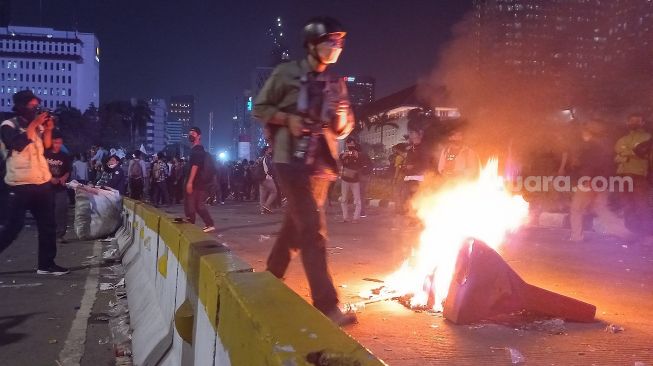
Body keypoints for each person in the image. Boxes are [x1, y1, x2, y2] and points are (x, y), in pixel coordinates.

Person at [253, 16, 356, 326]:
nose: (336, 47)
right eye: (331, 41)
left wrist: (340, 115)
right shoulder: (286, 74)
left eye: (340, 42)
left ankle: (271, 277)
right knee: (312, 227)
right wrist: (288, 120)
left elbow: (343, 128)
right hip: (290, 162)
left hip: (321, 168)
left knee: (295, 227)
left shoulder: (335, 83)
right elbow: (259, 108)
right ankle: (326, 306)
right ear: (312, 44)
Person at [0, 90, 68, 275]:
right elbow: (18, 144)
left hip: (41, 182)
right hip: (19, 184)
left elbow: (46, 146)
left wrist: (48, 128)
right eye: (32, 106)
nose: (35, 109)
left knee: (48, 224)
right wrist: (35, 124)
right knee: (13, 227)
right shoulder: (8, 125)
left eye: (37, 106)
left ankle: (46, 264)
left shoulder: (35, 126)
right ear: (22, 107)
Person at [569, 121, 631, 242]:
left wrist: (587, 180)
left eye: (584, 131)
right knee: (601, 209)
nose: (582, 134)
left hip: (589, 182)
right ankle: (623, 232)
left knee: (577, 209)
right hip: (602, 182)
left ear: (588, 133)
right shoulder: (604, 146)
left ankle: (576, 236)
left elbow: (589, 166)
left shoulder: (589, 147)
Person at [614, 113, 651, 233]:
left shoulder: (647, 138)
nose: (634, 123)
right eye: (632, 121)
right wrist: (633, 153)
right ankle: (632, 232)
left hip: (639, 176)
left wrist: (625, 153)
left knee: (642, 206)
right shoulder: (621, 139)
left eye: (637, 121)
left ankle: (647, 234)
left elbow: (647, 155)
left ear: (643, 123)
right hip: (623, 176)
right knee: (627, 206)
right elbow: (616, 157)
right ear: (627, 123)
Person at [184, 127, 216, 233]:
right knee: (198, 205)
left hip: (196, 182)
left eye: (193, 133)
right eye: (190, 133)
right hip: (199, 182)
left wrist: (190, 182)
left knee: (191, 205)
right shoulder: (197, 149)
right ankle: (209, 224)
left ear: (199, 136)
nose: (191, 135)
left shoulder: (197, 150)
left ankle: (190, 226)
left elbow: (195, 166)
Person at [45, 130, 72, 242]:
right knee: (47, 211)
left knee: (61, 210)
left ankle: (60, 234)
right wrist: (50, 179)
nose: (58, 145)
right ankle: (48, 233)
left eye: (60, 143)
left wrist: (63, 178)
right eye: (56, 142)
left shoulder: (64, 156)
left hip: (61, 188)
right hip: (46, 188)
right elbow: (41, 169)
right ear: (51, 142)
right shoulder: (45, 154)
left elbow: (68, 171)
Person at [339, 138, 362, 223]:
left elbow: (361, 164)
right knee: (344, 199)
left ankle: (356, 218)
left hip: (355, 180)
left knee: (357, 199)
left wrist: (357, 157)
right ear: (346, 145)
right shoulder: (343, 153)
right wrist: (344, 156)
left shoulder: (358, 154)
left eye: (352, 145)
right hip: (345, 179)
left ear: (355, 145)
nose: (350, 147)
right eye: (349, 145)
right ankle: (345, 217)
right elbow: (340, 160)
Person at [258, 146, 277, 214]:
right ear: (266, 151)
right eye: (269, 149)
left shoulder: (260, 158)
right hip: (267, 178)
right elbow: (270, 168)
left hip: (260, 178)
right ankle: (266, 206)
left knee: (262, 195)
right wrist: (272, 174)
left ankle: (262, 210)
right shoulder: (267, 158)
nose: (271, 150)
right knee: (274, 192)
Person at [358, 145, 372, 218]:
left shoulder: (358, 155)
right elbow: (371, 165)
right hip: (366, 176)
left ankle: (360, 210)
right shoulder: (366, 155)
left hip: (359, 177)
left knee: (359, 194)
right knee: (362, 194)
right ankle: (362, 211)